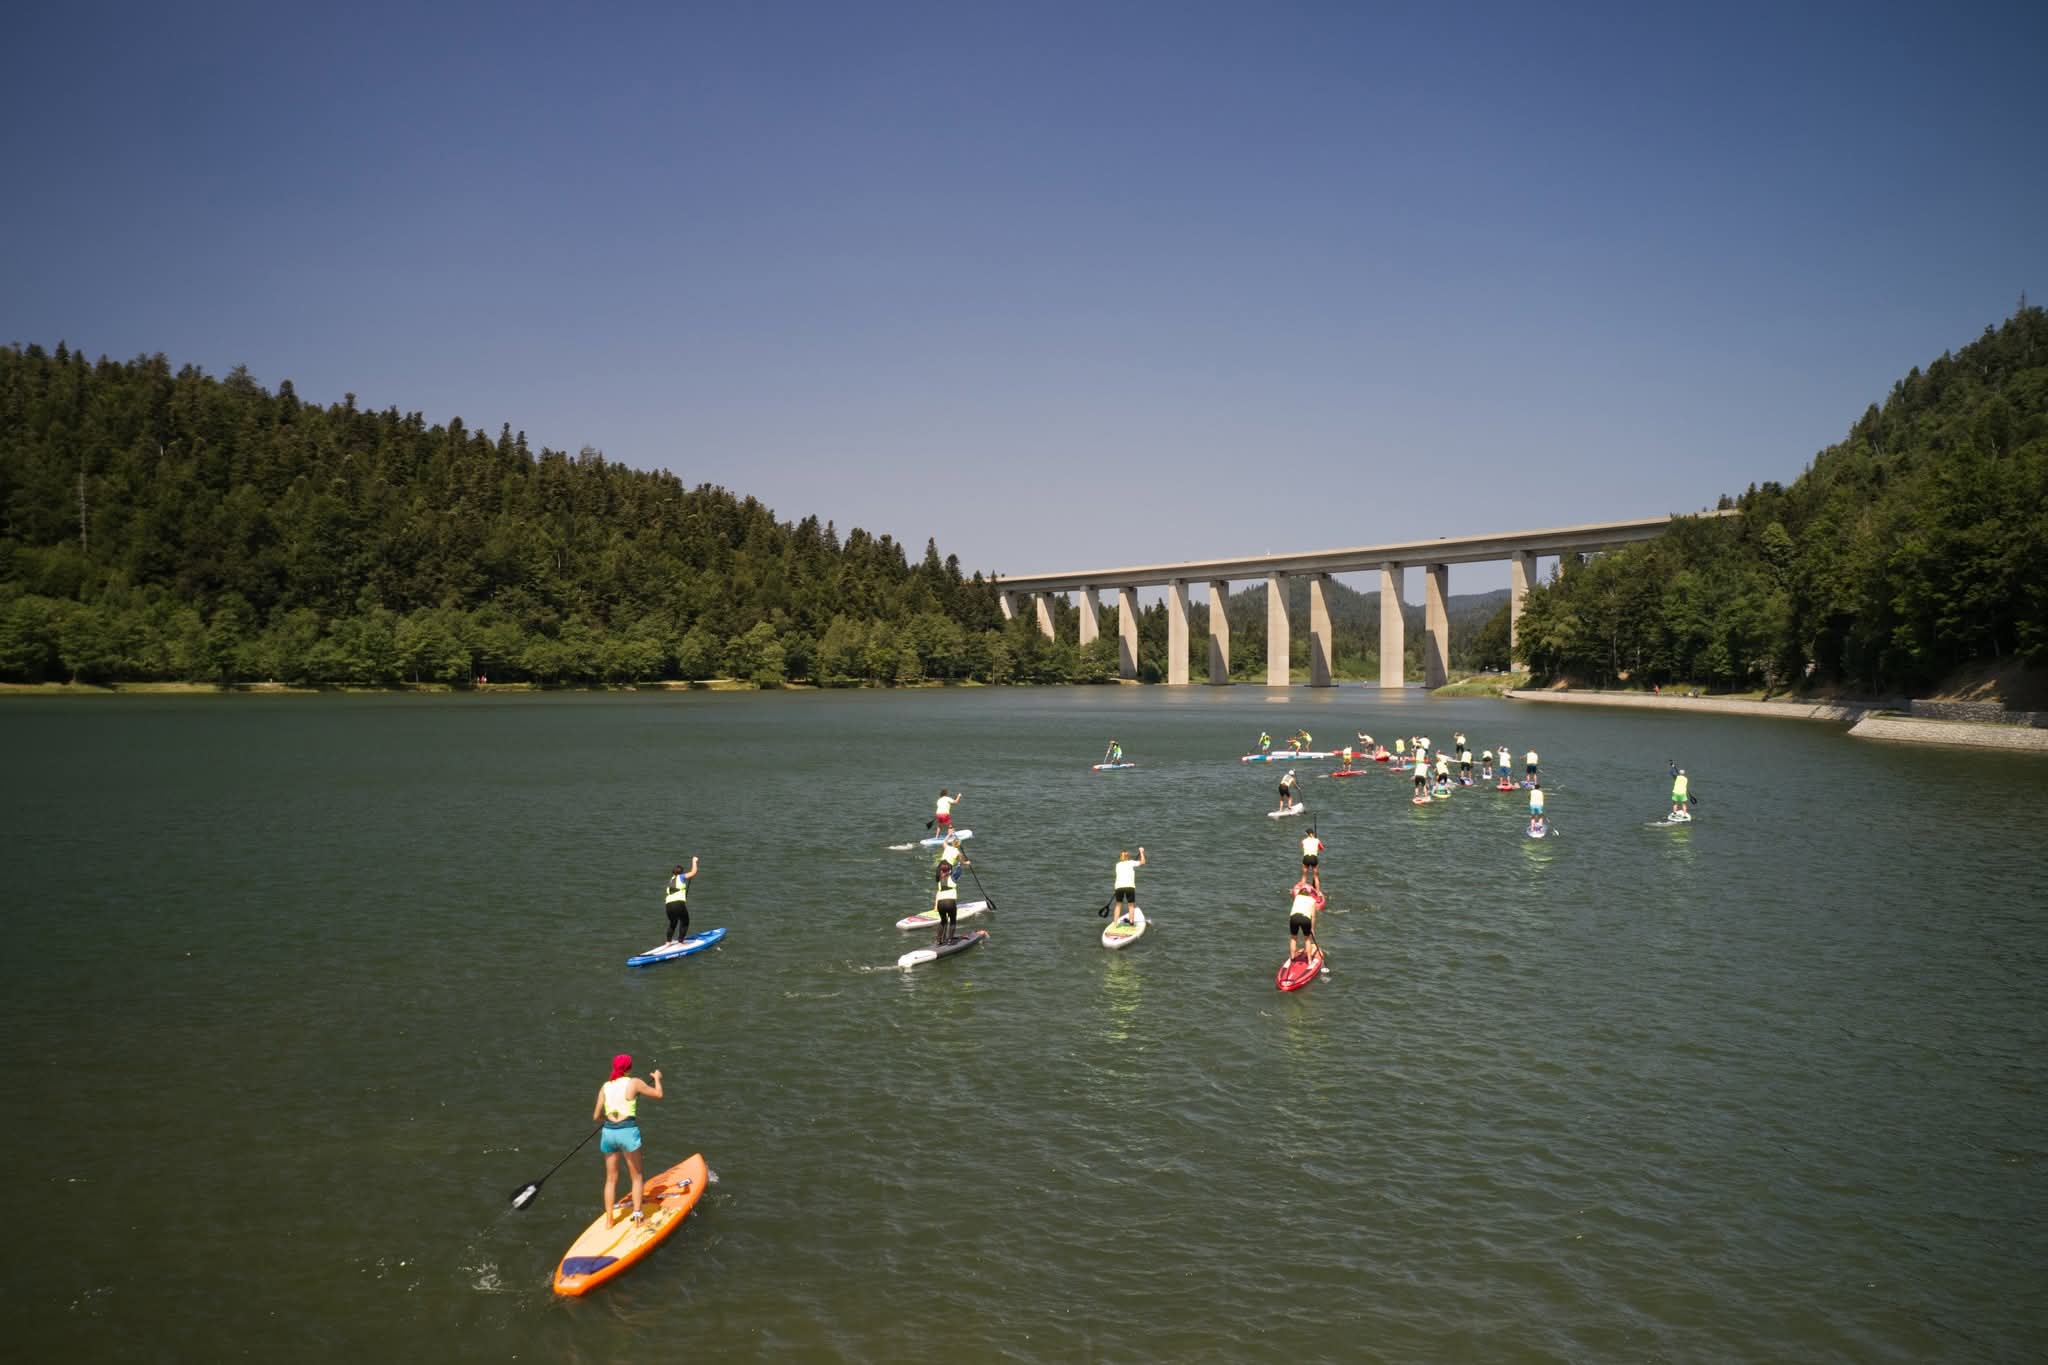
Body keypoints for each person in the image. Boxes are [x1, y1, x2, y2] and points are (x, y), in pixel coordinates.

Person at [593, 1054, 664, 1226]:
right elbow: (658, 1095)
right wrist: (657, 1078)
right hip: (627, 1132)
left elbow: (596, 1116)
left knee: (610, 1179)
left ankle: (609, 1220)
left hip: (609, 1132)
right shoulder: (634, 1082)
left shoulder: (605, 1086)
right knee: (637, 1176)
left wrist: (609, 1118)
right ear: (629, 1068)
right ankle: (638, 1217)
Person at [663, 857, 698, 944]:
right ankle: (680, 943)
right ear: (681, 872)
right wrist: (694, 861)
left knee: (673, 923)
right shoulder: (681, 877)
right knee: (685, 921)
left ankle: (668, 942)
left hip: (668, 905)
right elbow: (693, 872)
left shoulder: (671, 880)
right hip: (678, 904)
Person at [1111, 847, 1146, 927]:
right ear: (1128, 857)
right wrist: (1141, 852)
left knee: (1118, 905)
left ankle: (1115, 923)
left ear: (1120, 857)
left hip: (1119, 887)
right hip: (1129, 887)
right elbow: (1143, 862)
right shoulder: (1131, 863)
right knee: (1131, 906)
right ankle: (1131, 923)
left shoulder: (1117, 865)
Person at [1287, 878, 1320, 961]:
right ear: (1309, 893)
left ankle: (1292, 958)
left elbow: (1294, 891)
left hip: (1294, 917)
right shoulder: (1312, 900)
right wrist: (1312, 928)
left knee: (1293, 938)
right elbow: (1313, 916)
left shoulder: (1297, 897)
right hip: (1305, 918)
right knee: (1307, 939)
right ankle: (1309, 960)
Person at [931, 860, 962, 944]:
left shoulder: (939, 880)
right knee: (952, 921)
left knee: (943, 921)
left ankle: (938, 939)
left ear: (941, 870)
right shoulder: (953, 877)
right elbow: (959, 871)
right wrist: (959, 864)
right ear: (949, 870)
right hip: (950, 902)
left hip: (940, 904)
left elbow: (939, 871)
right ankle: (949, 940)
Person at [1300, 828, 1325, 893]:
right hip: (1314, 858)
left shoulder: (1303, 841)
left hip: (1306, 858)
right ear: (1313, 833)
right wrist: (1317, 843)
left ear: (1306, 834)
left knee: (1304, 875)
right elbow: (1322, 848)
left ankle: (1302, 891)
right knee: (1316, 876)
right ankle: (1318, 892)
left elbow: (1302, 846)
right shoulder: (1317, 840)